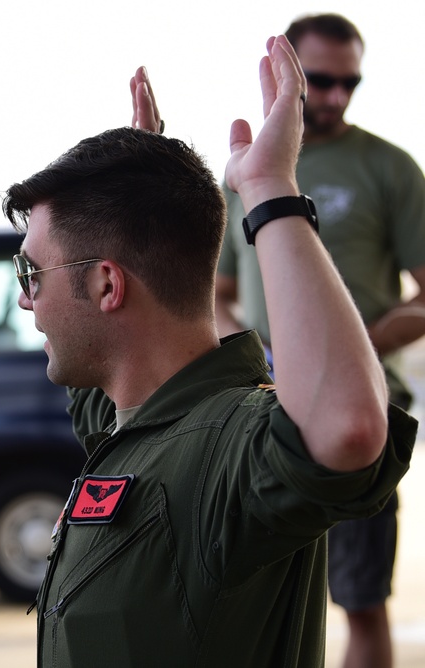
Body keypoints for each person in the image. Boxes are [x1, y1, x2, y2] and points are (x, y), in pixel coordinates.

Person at [1, 39, 415, 666]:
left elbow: (348, 428)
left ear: (108, 284)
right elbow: (111, 360)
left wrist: (270, 191)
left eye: (32, 274)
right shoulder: (135, 424)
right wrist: (140, 180)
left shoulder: (229, 442)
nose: (26, 301)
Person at [215, 15, 425, 668]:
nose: (336, 95)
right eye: (322, 81)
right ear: (288, 76)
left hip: (358, 408)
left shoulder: (388, 167)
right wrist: (255, 355)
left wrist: (338, 347)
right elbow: (216, 297)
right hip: (259, 409)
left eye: (349, 82)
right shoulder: (245, 171)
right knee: (249, 596)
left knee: (360, 599)